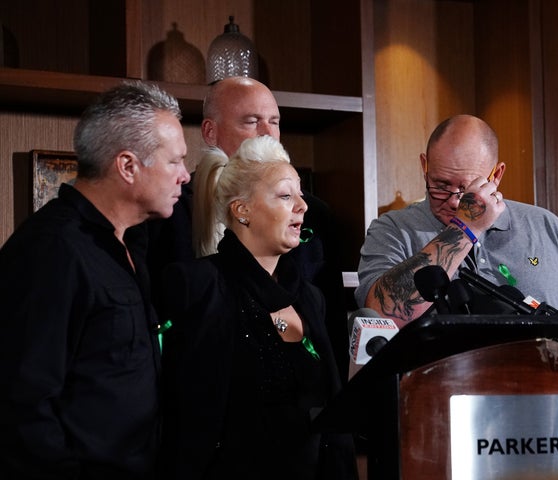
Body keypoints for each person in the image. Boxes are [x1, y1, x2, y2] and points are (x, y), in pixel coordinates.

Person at [0, 82, 190, 479]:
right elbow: (20, 404)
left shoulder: (132, 243)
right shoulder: (51, 251)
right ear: (127, 166)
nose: (185, 177)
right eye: (174, 162)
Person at [159, 135, 357, 479]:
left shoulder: (311, 298)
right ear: (242, 210)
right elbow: (185, 417)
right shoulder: (198, 285)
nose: (302, 206)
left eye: (300, 193)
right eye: (285, 195)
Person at [146, 76, 349, 378]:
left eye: (274, 121)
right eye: (252, 122)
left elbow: (331, 322)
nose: (267, 133)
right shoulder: (168, 212)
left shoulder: (316, 216)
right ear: (210, 131)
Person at [355, 114, 558, 325]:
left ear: (496, 174)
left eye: (468, 189)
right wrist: (465, 229)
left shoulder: (546, 228)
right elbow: (382, 316)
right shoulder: (393, 230)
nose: (455, 202)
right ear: (425, 166)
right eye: (441, 185)